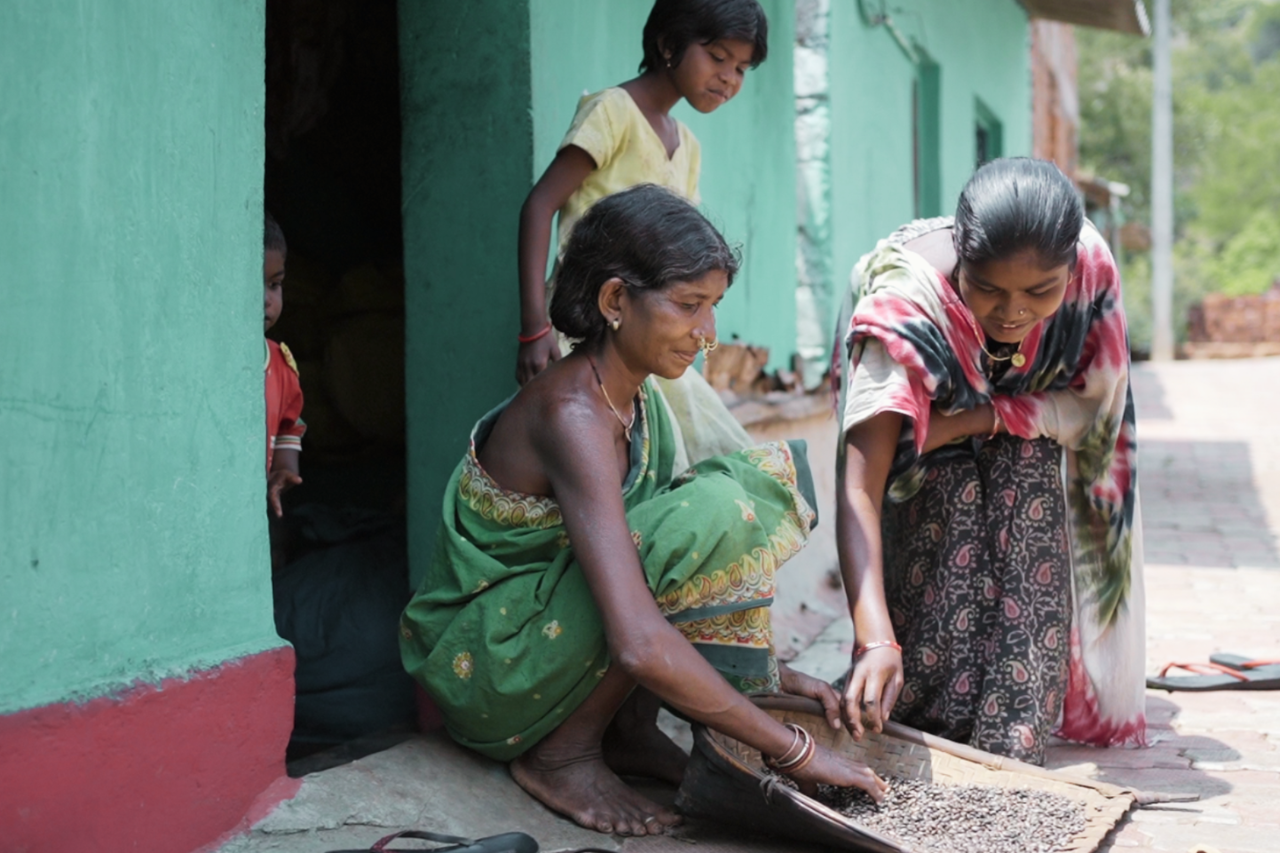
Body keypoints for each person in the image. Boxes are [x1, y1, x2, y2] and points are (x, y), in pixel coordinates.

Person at [401, 185, 887, 836]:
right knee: (711, 515)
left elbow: (667, 577)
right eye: (689, 306)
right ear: (614, 301)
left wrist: (768, 671)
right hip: (492, 659)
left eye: (712, 307)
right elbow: (636, 633)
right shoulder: (572, 415)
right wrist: (792, 747)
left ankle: (623, 730)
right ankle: (561, 754)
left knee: (740, 491)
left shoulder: (639, 398)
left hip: (547, 631)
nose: (708, 333)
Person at [831, 158, 1146, 765]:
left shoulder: (1089, 270)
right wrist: (873, 636)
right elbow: (861, 488)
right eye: (989, 288)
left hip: (1027, 416)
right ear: (961, 262)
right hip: (917, 437)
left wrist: (983, 416)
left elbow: (1091, 409)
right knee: (950, 526)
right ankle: (928, 715)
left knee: (1026, 488)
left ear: (1070, 270)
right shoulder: (902, 307)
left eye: (1039, 291)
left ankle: (1015, 737)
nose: (1013, 312)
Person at [515, 0, 768, 469]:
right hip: (590, 330)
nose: (729, 78)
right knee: (613, 463)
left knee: (721, 459)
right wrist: (535, 328)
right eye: (717, 58)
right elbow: (539, 205)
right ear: (669, 44)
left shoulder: (686, 146)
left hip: (652, 335)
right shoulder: (613, 113)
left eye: (741, 67)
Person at [264, 212, 305, 518]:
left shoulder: (280, 363)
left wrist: (283, 469)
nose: (266, 299)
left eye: (274, 284)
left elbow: (290, 424)